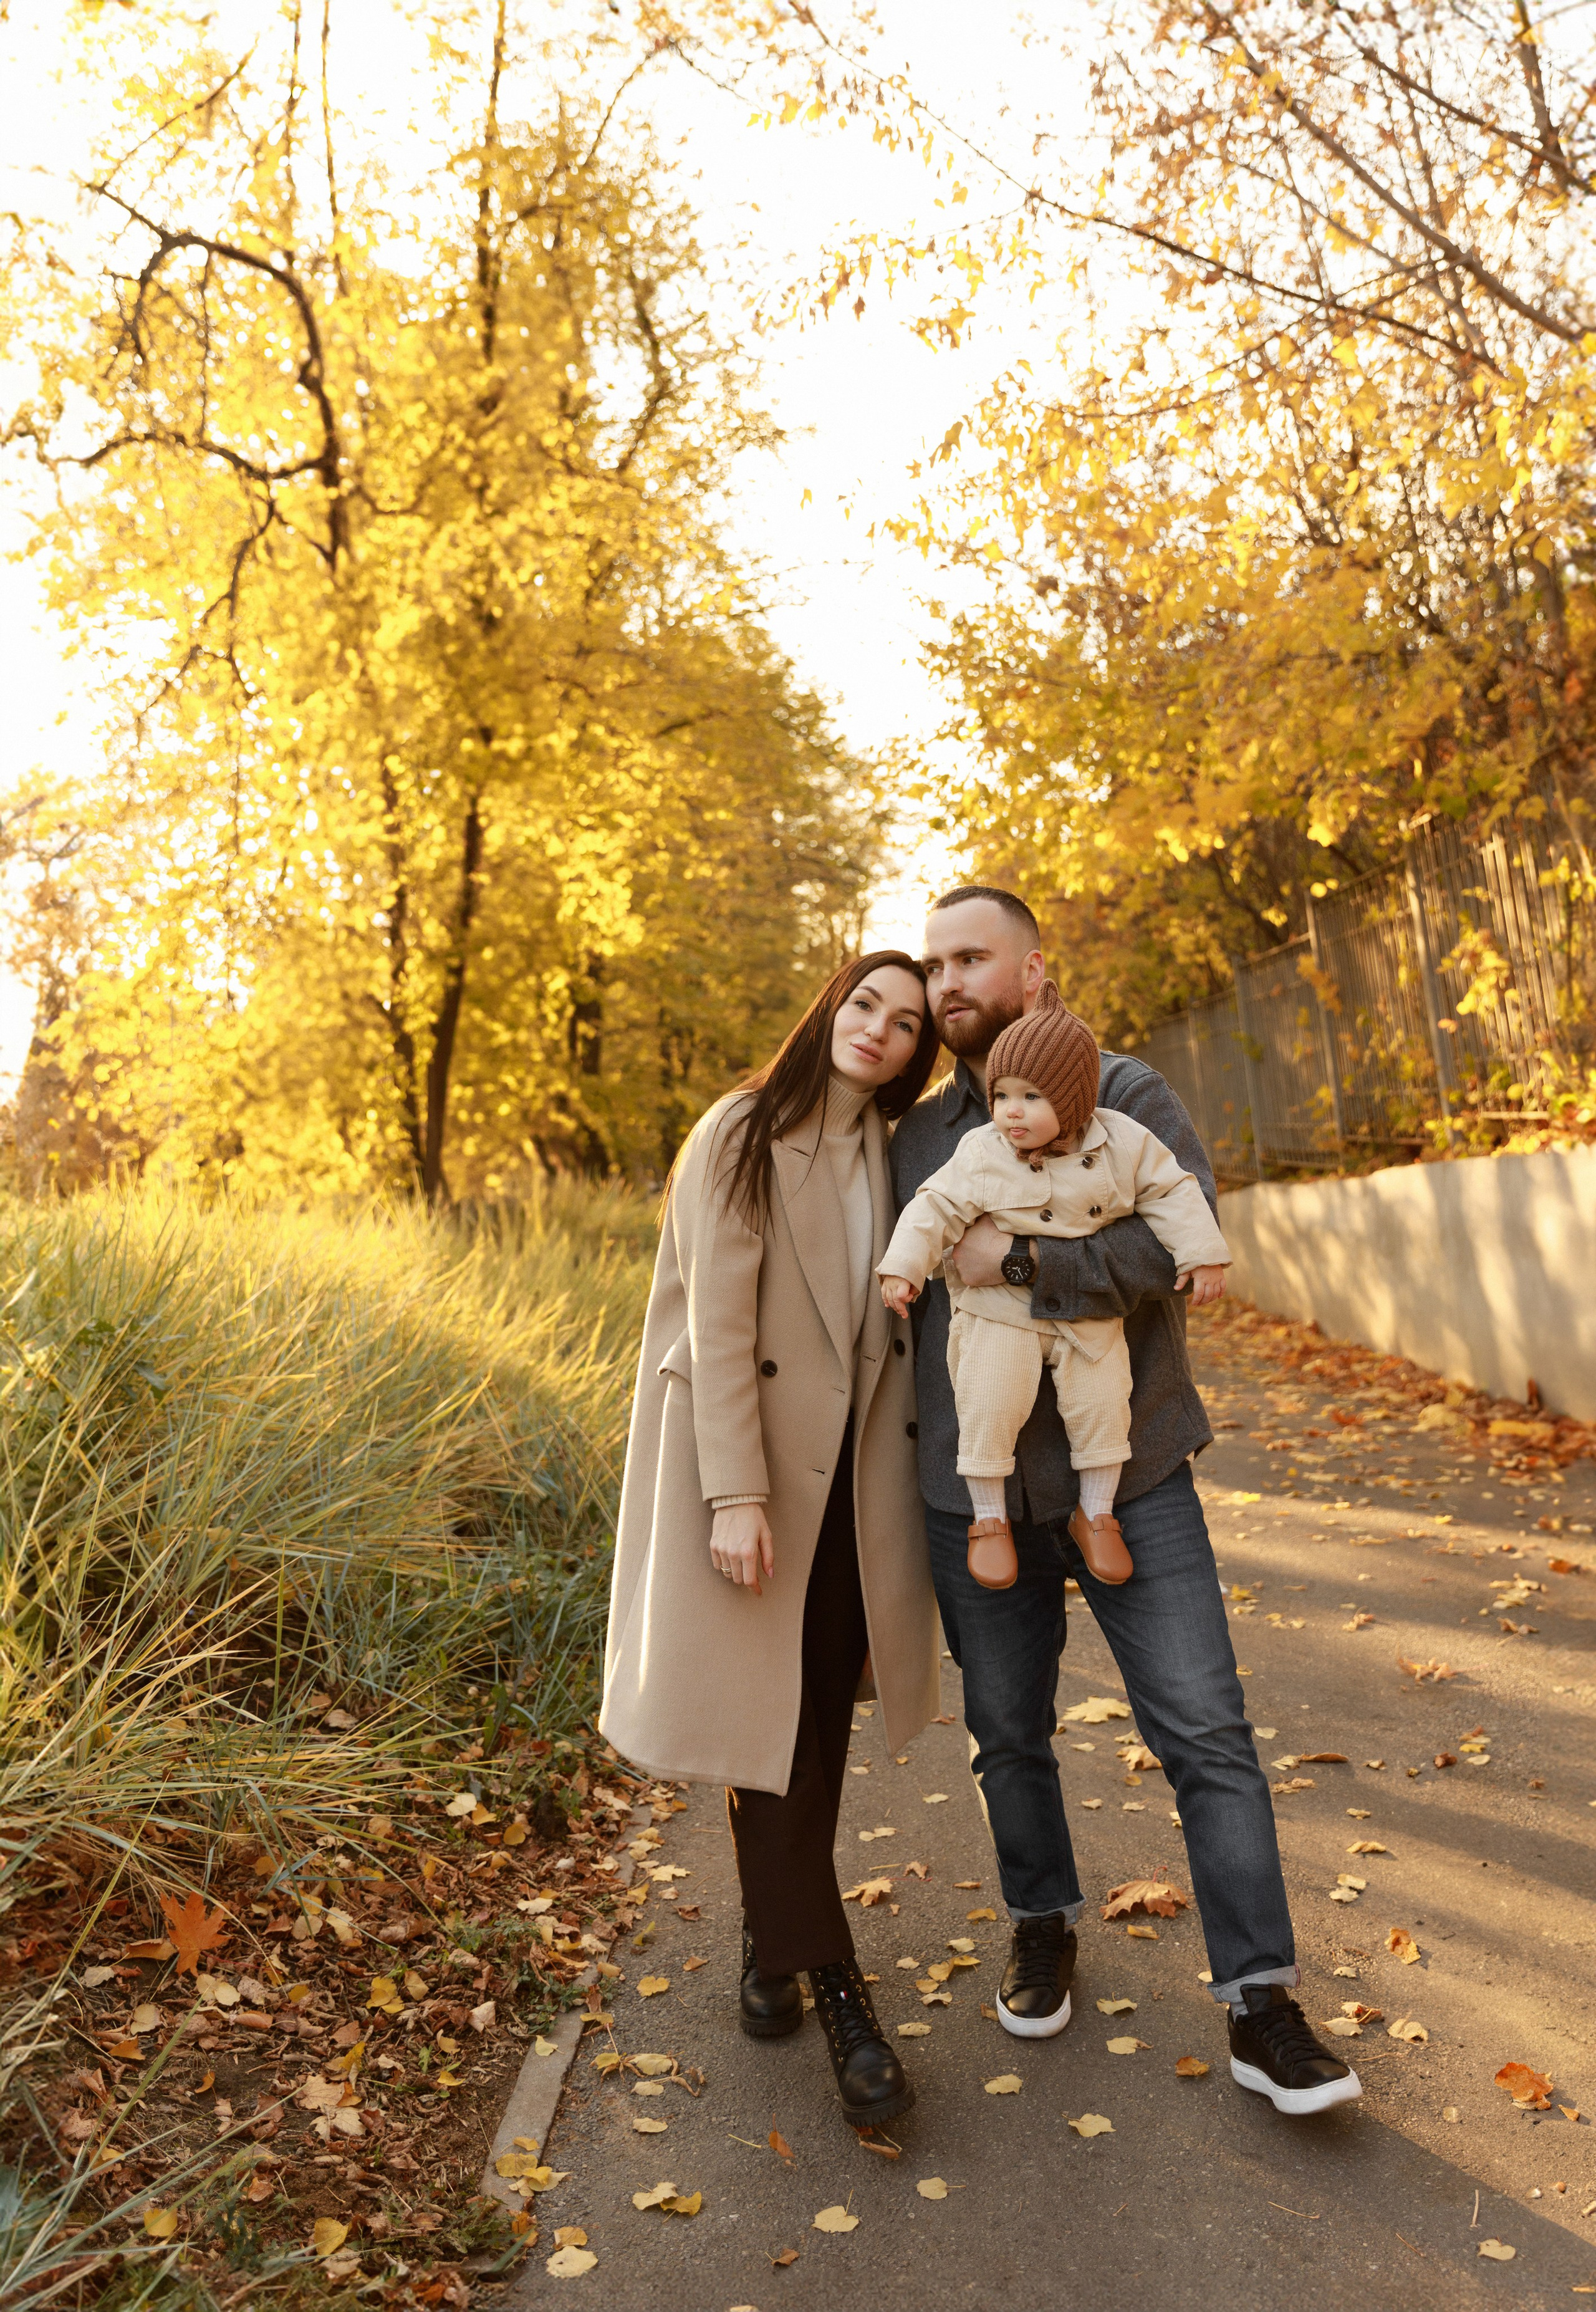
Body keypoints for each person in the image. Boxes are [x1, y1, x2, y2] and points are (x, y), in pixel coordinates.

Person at [890, 885, 1362, 2116]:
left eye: (971, 958)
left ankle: (1261, 2008)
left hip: (1131, 1476)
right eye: (933, 963)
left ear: (1033, 972)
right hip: (971, 1492)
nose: (947, 983)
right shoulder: (914, 1133)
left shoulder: (1128, 1095)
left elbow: (1176, 1245)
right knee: (1007, 1737)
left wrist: (1032, 1262)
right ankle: (1040, 1921)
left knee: (1204, 1736)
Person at [601, 952, 943, 2132]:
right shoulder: (742, 1130)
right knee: (770, 1724)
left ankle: (767, 1939)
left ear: (916, 1053)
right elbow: (718, 1321)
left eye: (906, 1024)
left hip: (856, 1485)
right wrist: (733, 1494)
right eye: (864, 1005)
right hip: (758, 1481)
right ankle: (840, 1987)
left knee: (806, 1722)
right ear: (828, 1009)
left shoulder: (889, 1156)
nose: (879, 1031)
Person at [878, 981, 1230, 1592]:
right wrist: (905, 1266)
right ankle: (987, 1520)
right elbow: (933, 1208)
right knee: (987, 1403)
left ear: (1072, 1102)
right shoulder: (979, 1151)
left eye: (1031, 1097)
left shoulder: (1119, 1141)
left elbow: (1175, 1191)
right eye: (1002, 1096)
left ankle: (1096, 1513)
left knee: (1101, 1404)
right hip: (997, 1316)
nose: (1010, 1111)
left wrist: (1201, 1256)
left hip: (1085, 1315)